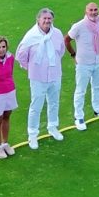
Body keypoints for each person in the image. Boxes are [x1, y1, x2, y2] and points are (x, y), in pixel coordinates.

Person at [16, 8, 66, 149]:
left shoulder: (57, 34)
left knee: (54, 102)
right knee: (36, 105)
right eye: (44, 18)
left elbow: (61, 51)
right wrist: (30, 67)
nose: (47, 21)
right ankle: (32, 134)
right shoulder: (30, 36)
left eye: (49, 18)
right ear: (38, 19)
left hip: (55, 75)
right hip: (37, 77)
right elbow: (20, 55)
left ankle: (53, 127)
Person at [65, 2, 99, 129]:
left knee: (97, 87)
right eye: (90, 10)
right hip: (84, 63)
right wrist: (73, 55)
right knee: (81, 90)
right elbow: (67, 40)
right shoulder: (79, 26)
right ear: (86, 11)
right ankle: (79, 116)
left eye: (95, 9)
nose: (93, 12)